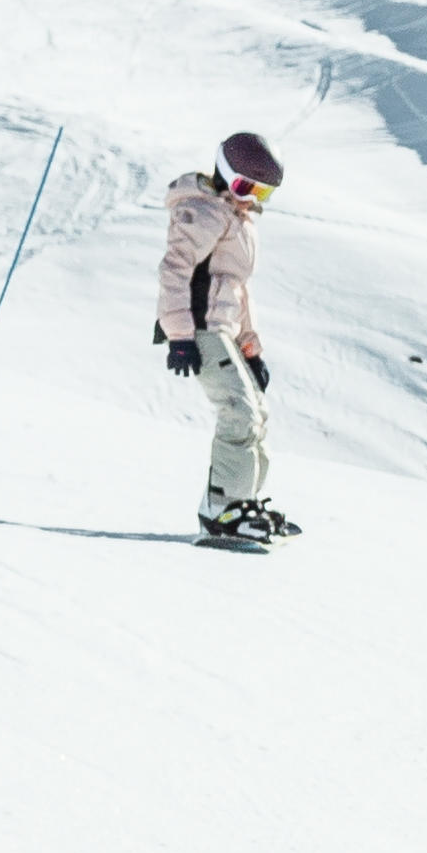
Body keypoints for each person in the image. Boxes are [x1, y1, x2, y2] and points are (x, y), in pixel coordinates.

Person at [154, 133, 301, 546]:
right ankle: (223, 510)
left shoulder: (238, 221)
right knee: (239, 413)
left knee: (256, 414)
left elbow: (236, 290)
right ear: (223, 177)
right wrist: (179, 335)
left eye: (261, 193)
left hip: (223, 329)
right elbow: (174, 271)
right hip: (200, 327)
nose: (249, 198)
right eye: (243, 188)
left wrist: (250, 348)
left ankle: (244, 504)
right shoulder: (200, 212)